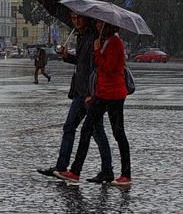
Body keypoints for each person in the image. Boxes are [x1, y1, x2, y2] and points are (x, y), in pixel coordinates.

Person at [37, 13, 114, 183]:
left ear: (86, 18)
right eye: (72, 18)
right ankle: (61, 167)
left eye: (78, 18)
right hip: (79, 92)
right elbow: (81, 61)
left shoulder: (95, 36)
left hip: (90, 94)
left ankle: (107, 170)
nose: (76, 21)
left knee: (97, 131)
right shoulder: (82, 36)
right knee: (69, 127)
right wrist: (66, 56)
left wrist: (94, 94)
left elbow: (97, 66)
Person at [55, 20, 132, 186]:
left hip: (115, 95)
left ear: (108, 26)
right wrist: (94, 93)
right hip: (102, 93)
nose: (97, 26)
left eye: (100, 24)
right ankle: (75, 171)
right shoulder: (104, 41)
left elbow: (108, 68)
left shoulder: (115, 43)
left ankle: (126, 174)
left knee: (119, 133)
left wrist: (97, 51)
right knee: (86, 129)